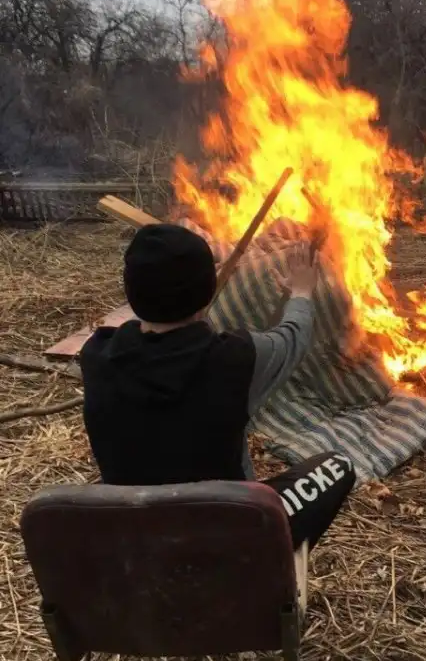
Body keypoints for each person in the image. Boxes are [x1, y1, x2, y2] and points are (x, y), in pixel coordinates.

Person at [80, 222, 355, 551]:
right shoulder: (236, 360)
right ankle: (272, 562)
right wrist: (301, 292)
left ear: (130, 290)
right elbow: (294, 335)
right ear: (208, 290)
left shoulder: (96, 356)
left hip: (137, 538)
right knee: (337, 467)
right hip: (230, 537)